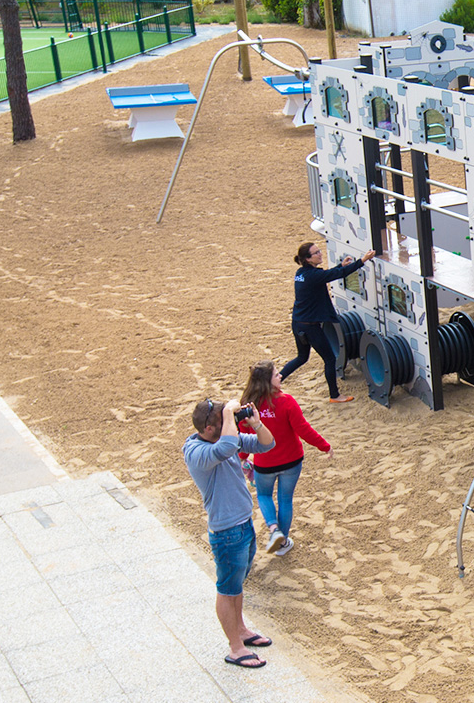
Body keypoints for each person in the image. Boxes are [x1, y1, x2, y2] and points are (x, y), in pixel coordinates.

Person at [183, 396, 275, 669]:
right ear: (210, 429)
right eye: (224, 422)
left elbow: (267, 444)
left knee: (236, 586)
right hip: (226, 532)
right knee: (226, 589)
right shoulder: (197, 452)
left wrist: (256, 424)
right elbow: (227, 446)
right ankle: (235, 649)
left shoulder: (223, 439)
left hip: (244, 524)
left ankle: (242, 631)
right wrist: (227, 413)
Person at [238, 360, 332, 557]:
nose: (280, 376)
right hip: (291, 461)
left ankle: (274, 530)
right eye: (276, 374)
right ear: (267, 381)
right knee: (285, 499)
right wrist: (324, 446)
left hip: (265, 463)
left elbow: (244, 436)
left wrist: (242, 458)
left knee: (264, 496)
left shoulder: (248, 406)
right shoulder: (287, 401)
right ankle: (283, 542)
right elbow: (303, 429)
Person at [280, 241, 375, 403]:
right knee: (330, 359)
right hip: (310, 328)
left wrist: (340, 265)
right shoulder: (313, 276)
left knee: (302, 357)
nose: (320, 254)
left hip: (298, 323)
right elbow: (334, 275)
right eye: (316, 253)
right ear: (308, 259)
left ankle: (274, 382)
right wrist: (362, 261)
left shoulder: (301, 273)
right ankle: (335, 395)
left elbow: (327, 274)